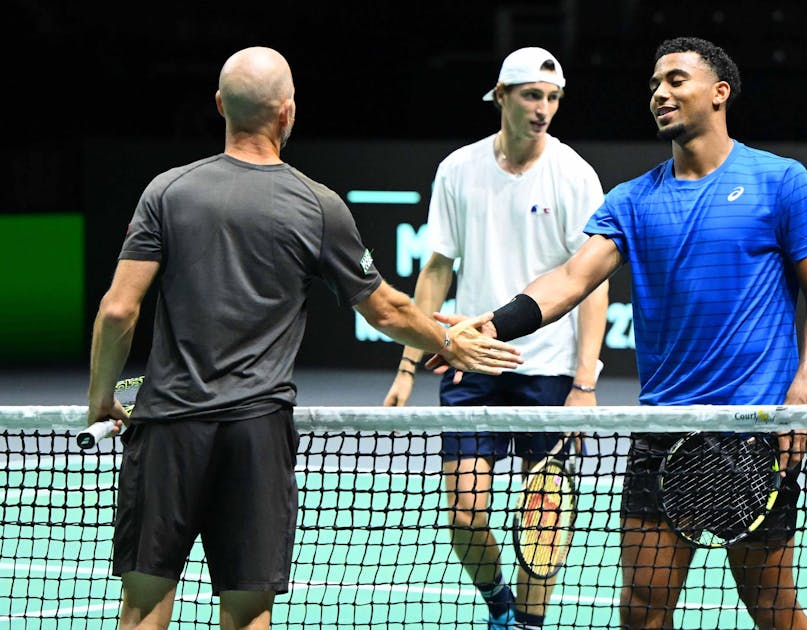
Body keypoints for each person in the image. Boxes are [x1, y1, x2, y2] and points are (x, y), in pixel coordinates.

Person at [85, 46, 520, 630]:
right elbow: (387, 309)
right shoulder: (318, 206)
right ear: (288, 113)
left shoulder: (166, 191)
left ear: (220, 106)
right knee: (247, 612)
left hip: (167, 427)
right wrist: (449, 340)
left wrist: (100, 400)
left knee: (142, 606)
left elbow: (117, 312)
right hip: (256, 435)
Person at [439, 36, 807, 629]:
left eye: (676, 80)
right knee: (643, 609)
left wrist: (803, 391)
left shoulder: (780, 181)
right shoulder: (633, 200)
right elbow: (570, 279)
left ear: (720, 93)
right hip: (662, 434)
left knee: (772, 608)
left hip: (753, 431)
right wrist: (492, 324)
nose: (660, 93)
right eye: (655, 84)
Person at [382, 46, 608, 630]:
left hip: (550, 371)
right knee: (465, 516)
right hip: (472, 366)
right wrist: (408, 368)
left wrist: (585, 382)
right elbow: (436, 272)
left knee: (545, 517)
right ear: (501, 95)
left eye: (553, 98)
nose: (544, 108)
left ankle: (529, 624)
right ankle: (500, 606)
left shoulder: (576, 174)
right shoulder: (458, 170)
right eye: (533, 95)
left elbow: (591, 284)